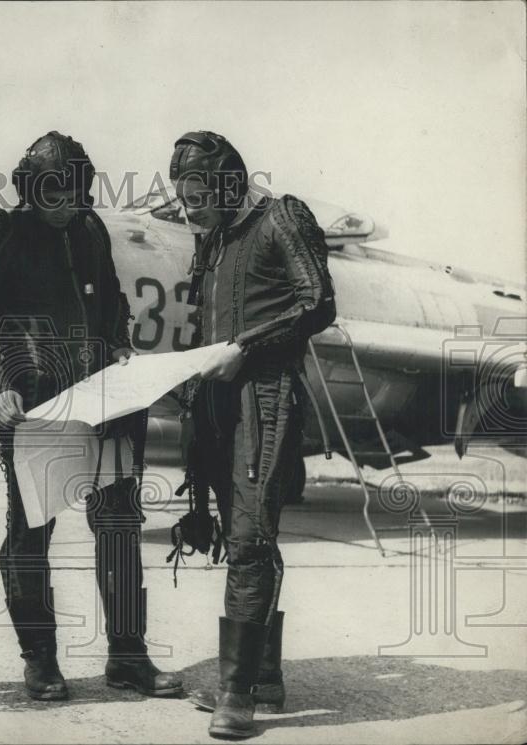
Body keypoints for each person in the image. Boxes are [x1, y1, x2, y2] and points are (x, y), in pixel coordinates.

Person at [0, 131, 183, 702]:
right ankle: (40, 661)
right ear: (31, 191)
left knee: (118, 529)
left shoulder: (89, 230)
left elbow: (111, 303)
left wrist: (118, 348)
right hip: (36, 411)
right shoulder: (2, 236)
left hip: (102, 407)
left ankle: (128, 657)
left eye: (78, 194)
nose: (68, 206)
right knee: (30, 535)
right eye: (56, 195)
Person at [169, 131, 336, 739]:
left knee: (249, 537)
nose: (188, 210)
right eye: (182, 200)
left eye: (196, 198)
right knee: (241, 536)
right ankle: (262, 677)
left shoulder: (280, 218)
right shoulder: (211, 240)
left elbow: (318, 303)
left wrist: (245, 347)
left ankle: (235, 694)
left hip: (264, 399)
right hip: (214, 404)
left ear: (228, 183)